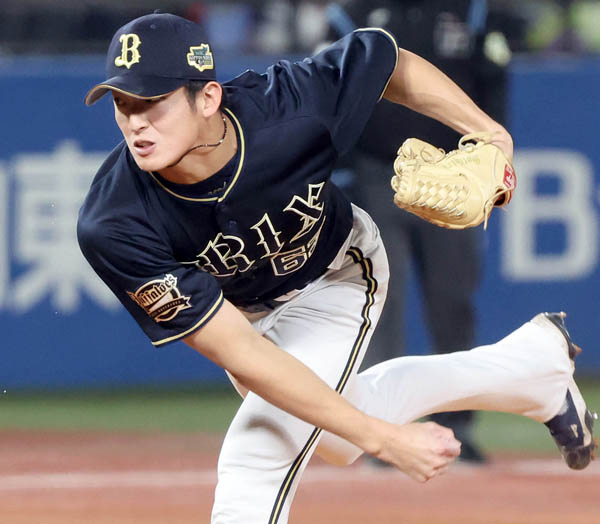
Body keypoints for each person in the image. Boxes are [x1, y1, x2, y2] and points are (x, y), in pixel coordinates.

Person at [77, 12, 596, 524]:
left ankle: (531, 369)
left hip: (335, 275)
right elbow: (239, 348)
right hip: (246, 317)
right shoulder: (115, 222)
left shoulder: (289, 106)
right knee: (337, 439)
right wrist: (380, 437)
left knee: (257, 451)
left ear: (207, 97)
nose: (135, 121)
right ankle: (532, 366)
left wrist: (492, 135)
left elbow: (386, 59)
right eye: (123, 102)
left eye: (153, 101)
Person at [325, 0, 511, 464]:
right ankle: (384, 434)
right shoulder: (352, 12)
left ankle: (459, 432)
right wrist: (342, 171)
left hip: (454, 179)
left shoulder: (471, 10)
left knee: (453, 304)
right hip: (374, 177)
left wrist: (489, 156)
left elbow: (493, 80)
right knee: (378, 308)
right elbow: (328, 91)